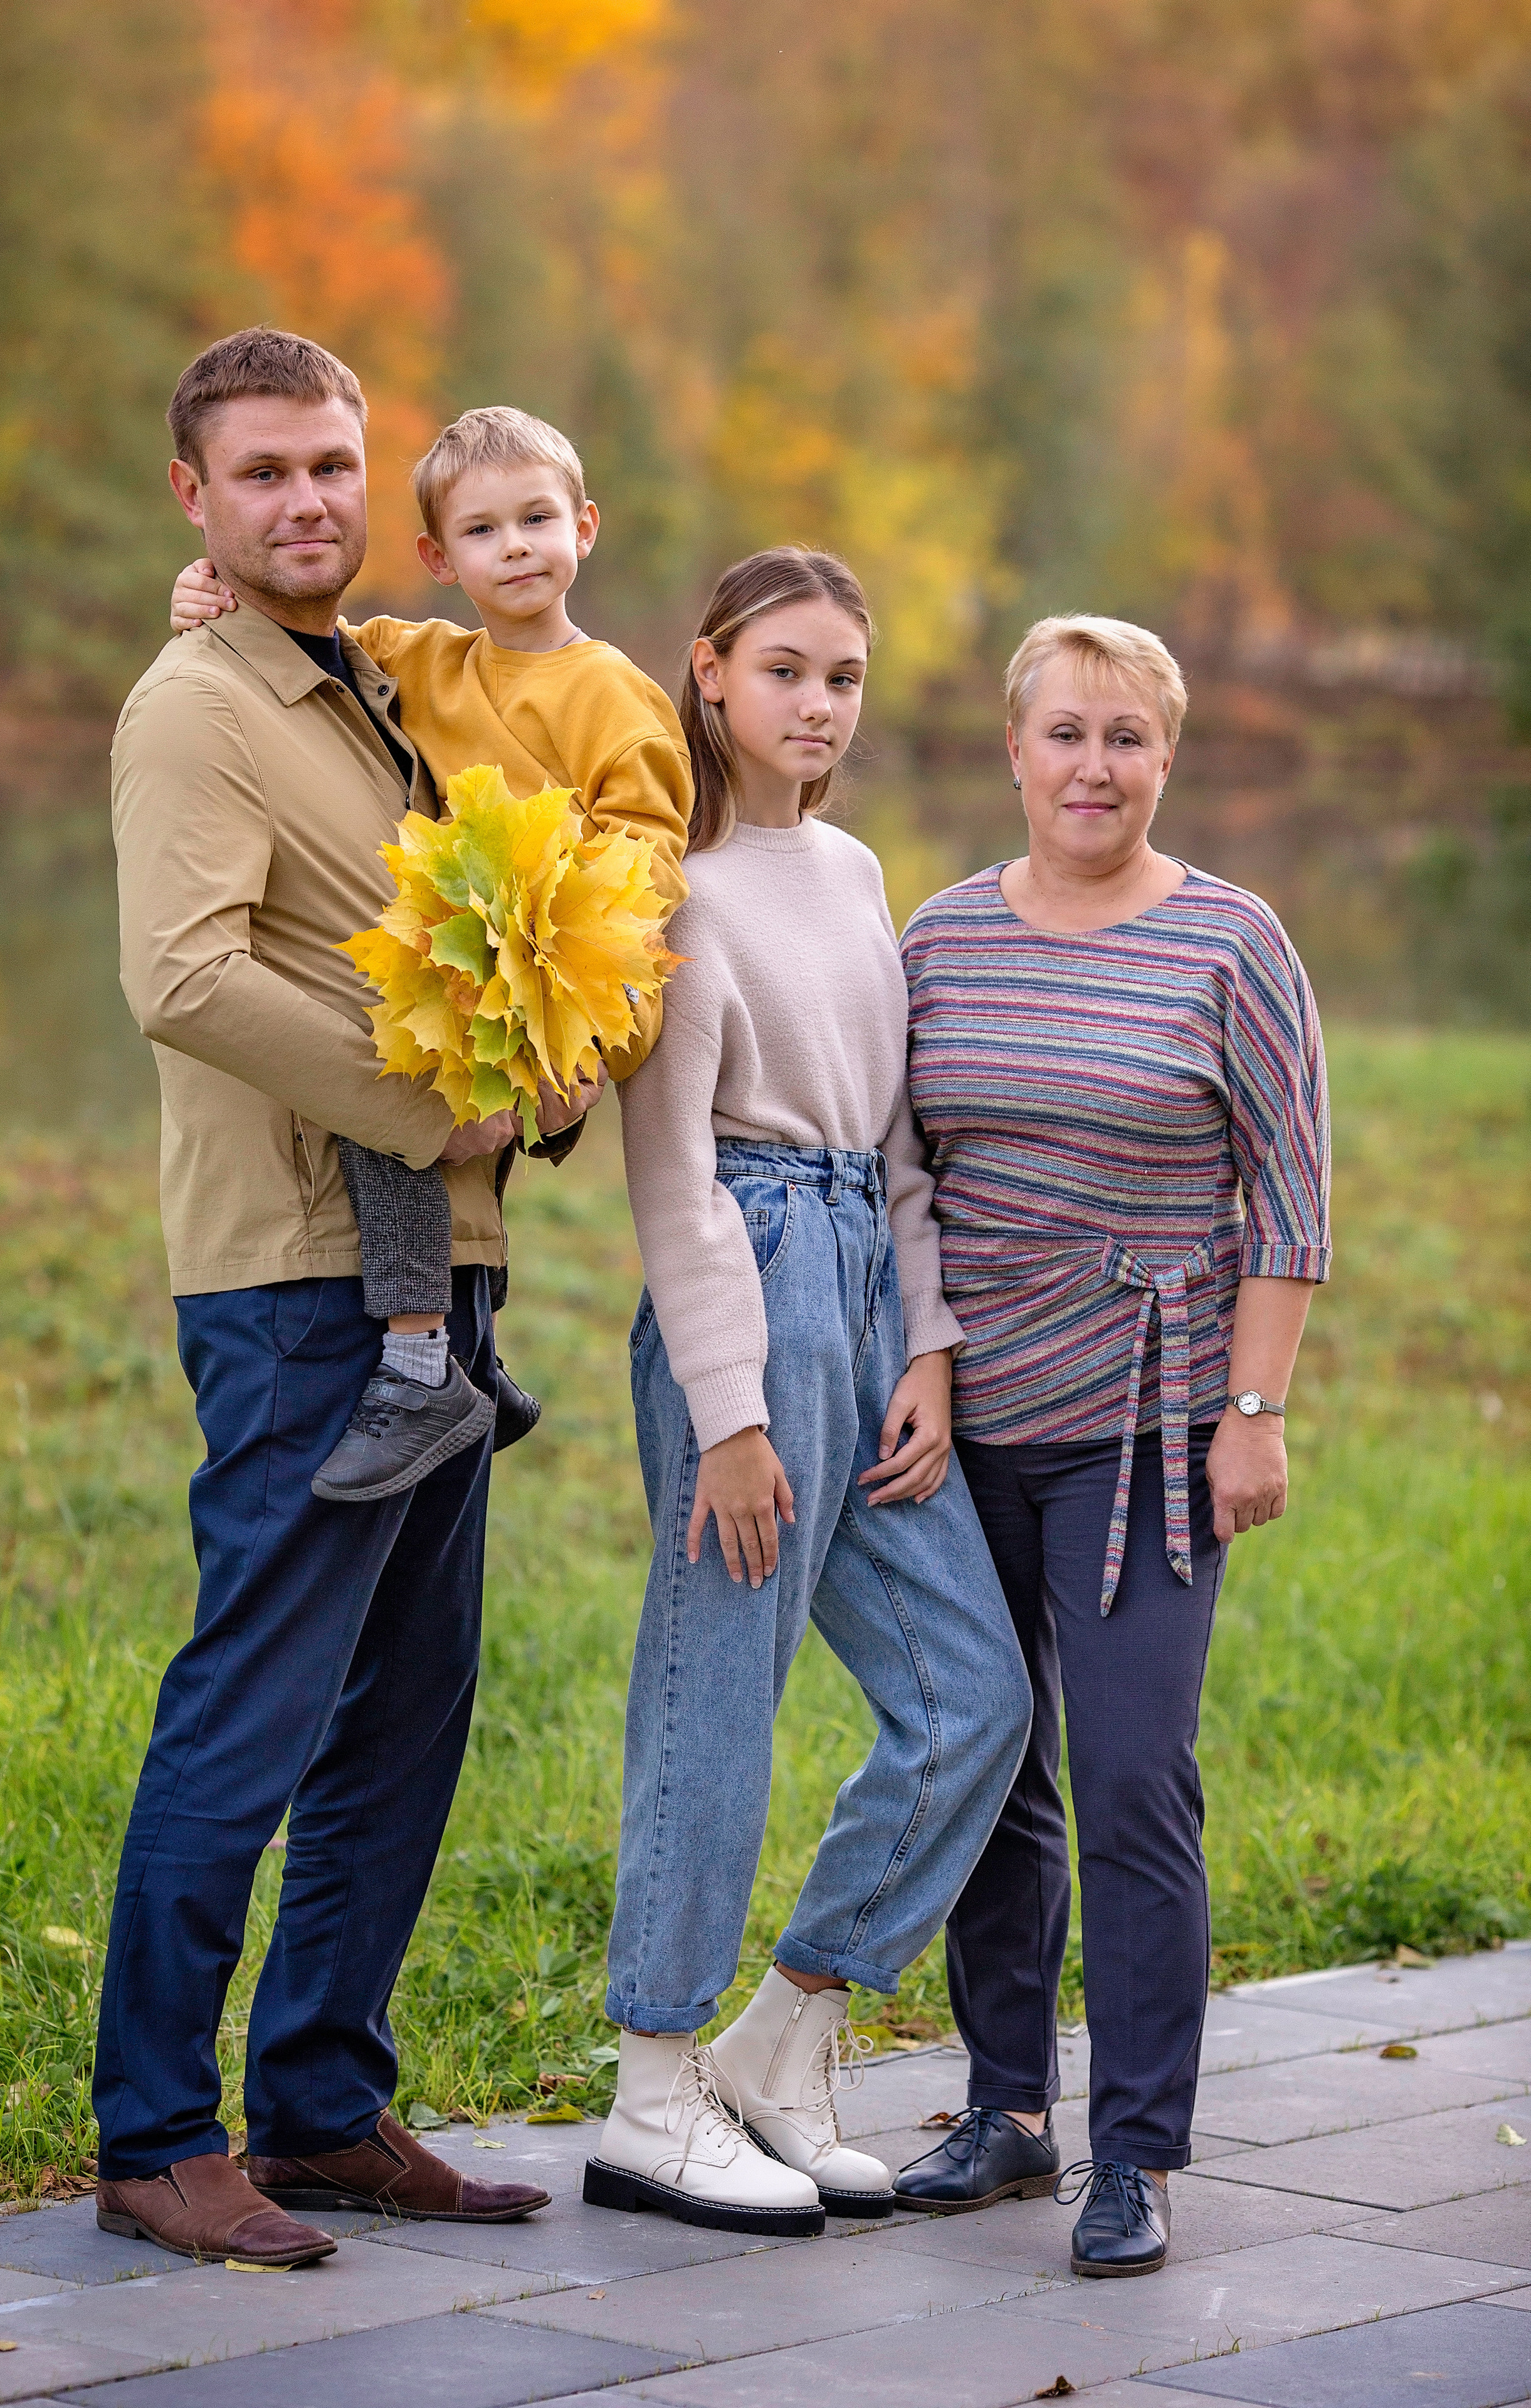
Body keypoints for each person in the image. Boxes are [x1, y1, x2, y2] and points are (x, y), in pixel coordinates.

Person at [97, 330, 597, 2266]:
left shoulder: (373, 693)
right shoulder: (196, 705)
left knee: (404, 1716)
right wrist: (431, 1103)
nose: (306, 500)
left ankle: (319, 2108)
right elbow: (184, 973)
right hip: (299, 1279)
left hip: (438, 1273)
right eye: (264, 472)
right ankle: (157, 2137)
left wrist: (537, 1073)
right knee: (255, 1705)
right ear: (196, 497)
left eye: (330, 465)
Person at [582, 548, 1033, 2237]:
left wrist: (926, 1344)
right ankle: (650, 2093)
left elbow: (899, 1139)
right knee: (716, 1697)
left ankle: (779, 2043)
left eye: (843, 675)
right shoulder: (669, 891)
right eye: (784, 670)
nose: (818, 704)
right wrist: (732, 1413)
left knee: (969, 1696)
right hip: (750, 1289)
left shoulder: (851, 871)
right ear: (707, 672)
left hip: (861, 1284)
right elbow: (672, 1173)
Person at [889, 615, 1331, 2278]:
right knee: (992, 1768)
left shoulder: (1233, 941)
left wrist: (1253, 1413)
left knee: (1134, 1779)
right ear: (1013, 749)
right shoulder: (937, 937)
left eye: (1125, 737)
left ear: (1166, 755)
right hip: (963, 1428)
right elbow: (898, 1173)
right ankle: (1008, 2109)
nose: (1093, 767)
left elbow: (1288, 1197)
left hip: (1146, 1433)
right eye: (1066, 734)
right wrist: (915, 1362)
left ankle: (1135, 2151)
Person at [169, 403, 692, 1504]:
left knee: (391, 1097)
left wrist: (585, 1013)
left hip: (559, 967)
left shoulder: (614, 694)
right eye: (483, 531)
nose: (517, 549)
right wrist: (205, 595)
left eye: (537, 520)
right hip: (470, 950)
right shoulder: (424, 658)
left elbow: (649, 859)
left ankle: (418, 1364)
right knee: (400, 1078)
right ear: (439, 559)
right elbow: (306, 644)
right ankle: (470, 1359)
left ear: (585, 528)